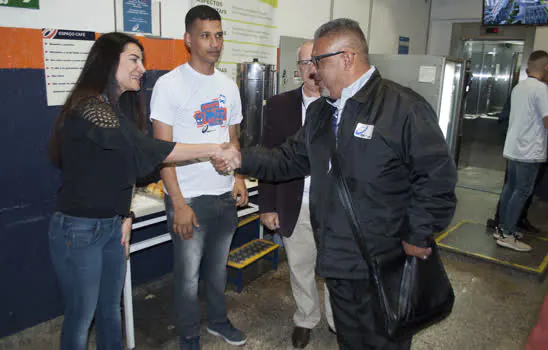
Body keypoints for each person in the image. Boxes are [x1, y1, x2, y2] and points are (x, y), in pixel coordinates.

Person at [214, 18, 457, 350]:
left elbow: (437, 176)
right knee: (350, 340)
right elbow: (288, 159)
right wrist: (241, 158)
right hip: (338, 261)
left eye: (318, 61)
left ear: (347, 58)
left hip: (384, 263)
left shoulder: (402, 108)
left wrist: (418, 233)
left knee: (384, 342)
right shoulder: (322, 114)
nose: (313, 71)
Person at [47, 32, 240, 350]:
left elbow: (120, 171)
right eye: (134, 60)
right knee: (82, 316)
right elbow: (146, 149)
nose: (142, 68)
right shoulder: (90, 109)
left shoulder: (113, 109)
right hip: (79, 228)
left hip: (111, 225)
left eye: (143, 61)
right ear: (109, 62)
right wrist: (213, 148)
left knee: (110, 309)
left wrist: (125, 214)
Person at [150, 5, 247, 350]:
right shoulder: (169, 85)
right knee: (188, 278)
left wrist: (236, 177)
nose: (214, 43)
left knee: (218, 270)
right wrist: (177, 202)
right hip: (188, 197)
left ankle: (219, 322)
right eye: (205, 35)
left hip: (223, 194)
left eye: (219, 35)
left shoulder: (228, 86)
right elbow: (161, 151)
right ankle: (189, 335)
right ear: (188, 40)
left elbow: (233, 137)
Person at [258, 40, 335, 349]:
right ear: (298, 69)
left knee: (336, 269)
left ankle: (337, 321)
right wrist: (267, 205)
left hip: (334, 207)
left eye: (316, 62)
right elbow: (268, 158)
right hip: (295, 202)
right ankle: (306, 318)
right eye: (305, 63)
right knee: (300, 266)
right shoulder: (279, 105)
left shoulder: (342, 103)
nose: (311, 70)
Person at [494, 50, 548, 252]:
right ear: (546, 67)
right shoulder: (541, 89)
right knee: (522, 191)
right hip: (529, 150)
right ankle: (508, 234)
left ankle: (502, 228)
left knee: (511, 188)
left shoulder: (519, 87)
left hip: (514, 147)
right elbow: (547, 120)